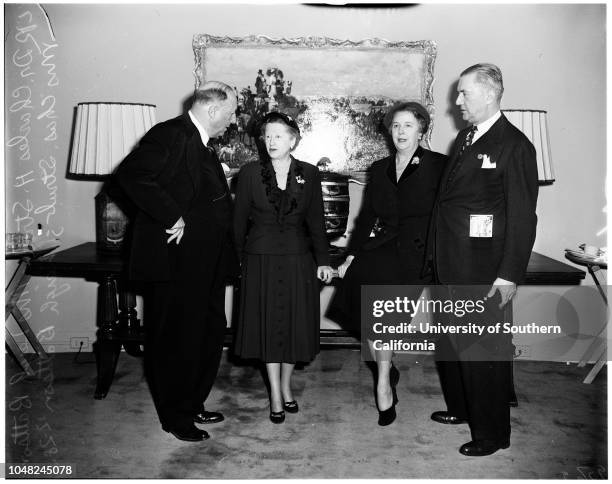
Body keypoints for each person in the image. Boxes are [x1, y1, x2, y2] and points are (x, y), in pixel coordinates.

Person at [115, 81, 239, 442]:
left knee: (208, 334)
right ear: (213, 110)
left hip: (207, 264)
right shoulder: (170, 134)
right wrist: (172, 215)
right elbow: (131, 176)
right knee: (176, 341)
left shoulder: (201, 144)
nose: (231, 120)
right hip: (176, 264)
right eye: (230, 112)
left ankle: (192, 402)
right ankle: (176, 417)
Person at [429, 63, 538, 456]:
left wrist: (508, 276)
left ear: (491, 94)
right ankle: (460, 409)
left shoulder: (515, 145)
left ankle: (493, 434)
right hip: (450, 264)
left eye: (464, 93)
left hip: (483, 270)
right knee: (454, 347)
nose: (457, 101)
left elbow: (524, 217)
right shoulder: (464, 138)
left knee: (483, 354)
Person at [333, 102, 447, 426]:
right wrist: (352, 255)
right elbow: (368, 215)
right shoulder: (380, 168)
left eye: (408, 126)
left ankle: (384, 377)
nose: (400, 132)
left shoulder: (439, 165)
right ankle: (385, 376)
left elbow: (447, 213)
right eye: (396, 126)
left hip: (417, 252)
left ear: (421, 130)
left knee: (384, 316)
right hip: (381, 247)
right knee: (370, 310)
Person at [233, 111, 334, 424]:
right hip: (259, 259)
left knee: (291, 327)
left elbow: (316, 221)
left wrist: (324, 260)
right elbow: (237, 224)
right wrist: (236, 263)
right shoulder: (249, 173)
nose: (272, 141)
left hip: (297, 259)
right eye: (268, 136)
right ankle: (275, 393)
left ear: (293, 140)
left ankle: (286, 387)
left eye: (279, 135)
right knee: (267, 326)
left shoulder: (309, 173)